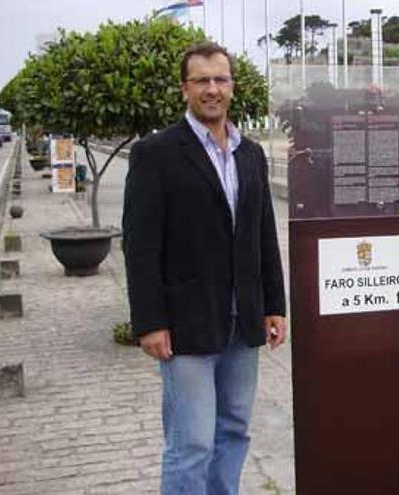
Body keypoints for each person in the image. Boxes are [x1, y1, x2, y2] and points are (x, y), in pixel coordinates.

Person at [122, 41, 287, 495]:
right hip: (186, 326)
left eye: (220, 79)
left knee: (234, 430)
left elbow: (262, 236)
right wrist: (150, 322)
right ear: (185, 89)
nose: (212, 89)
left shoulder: (250, 153)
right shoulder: (156, 153)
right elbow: (140, 246)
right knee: (191, 441)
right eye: (202, 80)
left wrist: (274, 304)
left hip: (243, 321)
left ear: (232, 87)